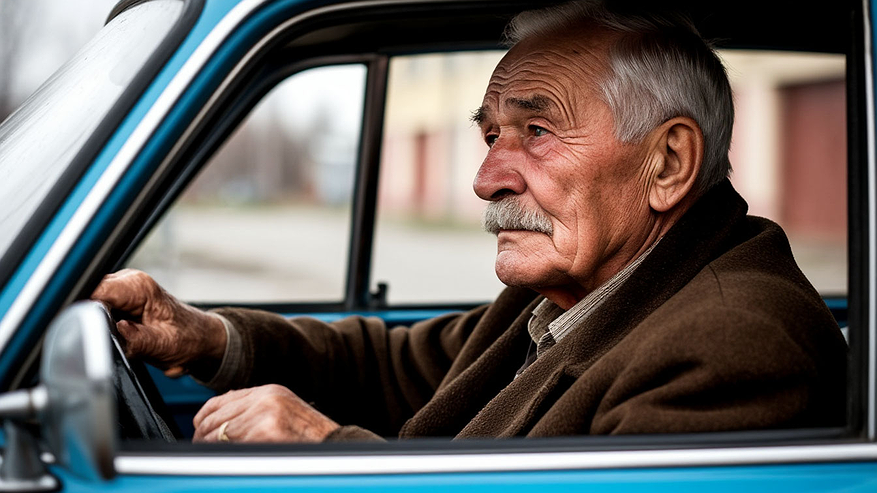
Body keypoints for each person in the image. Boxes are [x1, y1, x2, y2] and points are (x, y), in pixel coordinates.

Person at [92, 0, 847, 443]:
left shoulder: (733, 348)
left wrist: (323, 450)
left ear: (668, 164)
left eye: (537, 132)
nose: (486, 179)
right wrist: (202, 334)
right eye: (490, 135)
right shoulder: (574, 289)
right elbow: (395, 366)